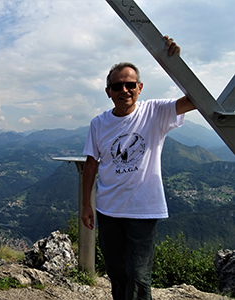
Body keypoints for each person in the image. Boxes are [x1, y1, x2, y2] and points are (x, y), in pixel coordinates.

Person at [81, 36, 196, 300]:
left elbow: (193, 100)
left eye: (130, 85)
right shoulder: (98, 124)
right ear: (108, 91)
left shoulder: (155, 112)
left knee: (139, 274)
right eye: (117, 86)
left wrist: (174, 63)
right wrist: (87, 206)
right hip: (108, 210)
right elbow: (91, 164)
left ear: (140, 87)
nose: (124, 90)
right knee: (116, 271)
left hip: (143, 210)